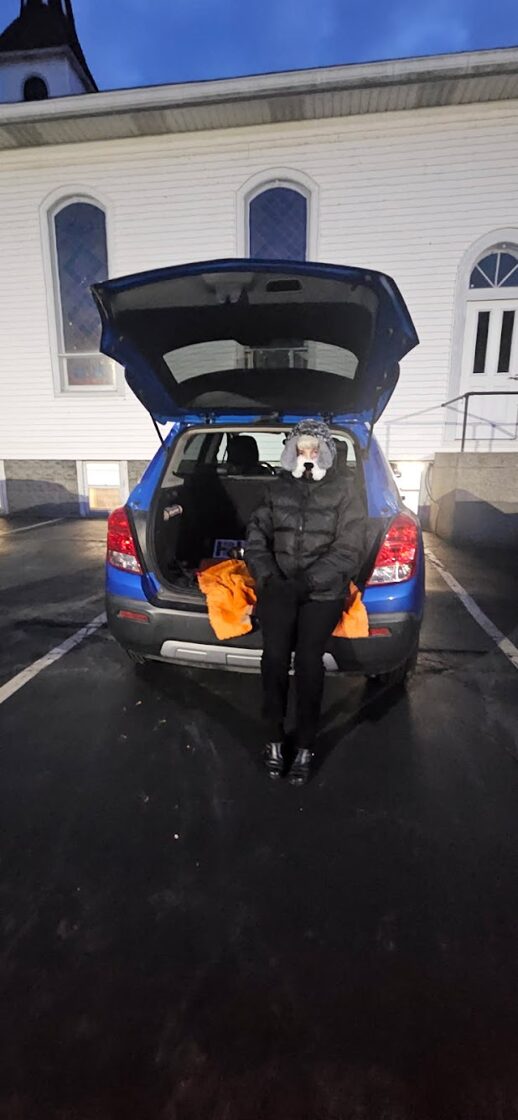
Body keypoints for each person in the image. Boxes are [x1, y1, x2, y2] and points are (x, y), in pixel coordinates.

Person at [245, 420, 367, 786]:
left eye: (315, 448)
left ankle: (305, 745)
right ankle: (273, 739)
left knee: (309, 661)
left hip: (322, 593)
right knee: (274, 659)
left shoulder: (346, 492)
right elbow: (256, 538)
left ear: (326, 452)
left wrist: (307, 583)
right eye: (301, 448)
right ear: (292, 451)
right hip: (279, 588)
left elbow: (349, 549)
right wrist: (269, 579)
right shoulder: (275, 489)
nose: (308, 454)